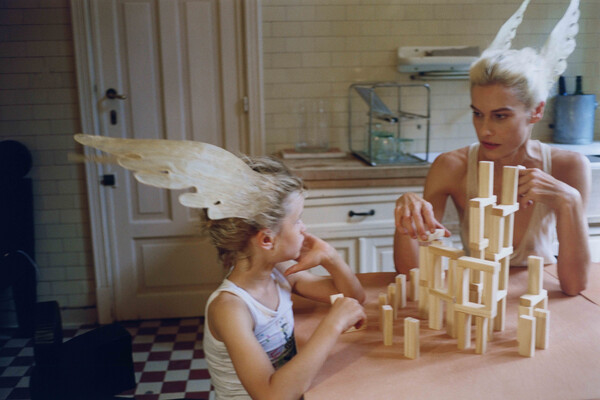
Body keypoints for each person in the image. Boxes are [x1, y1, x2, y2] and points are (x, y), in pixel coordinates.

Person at [393, 0, 590, 296]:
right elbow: (411, 273)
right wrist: (406, 215)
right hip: (476, 296)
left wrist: (570, 201)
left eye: (500, 116)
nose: (484, 129)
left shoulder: (569, 166)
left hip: (538, 298)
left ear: (536, 111)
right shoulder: (452, 166)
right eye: (477, 113)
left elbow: (575, 286)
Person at [202, 156, 366, 400]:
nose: (303, 228)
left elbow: (353, 297)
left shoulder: (279, 272)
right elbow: (271, 395)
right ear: (267, 240)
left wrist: (331, 257)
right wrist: (333, 324)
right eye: (297, 219)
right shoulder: (230, 308)